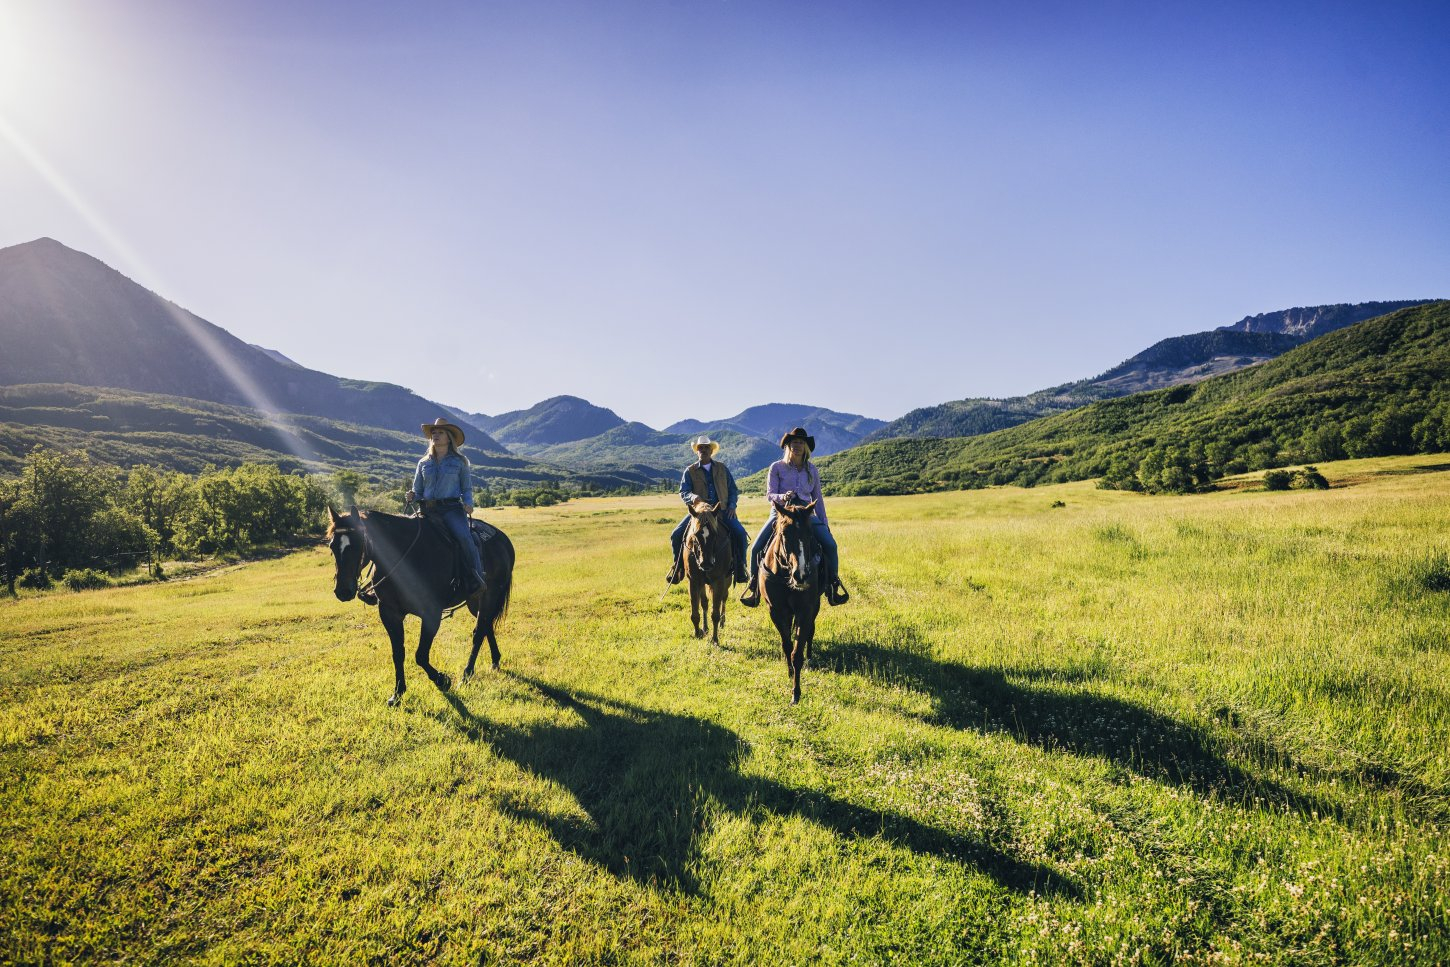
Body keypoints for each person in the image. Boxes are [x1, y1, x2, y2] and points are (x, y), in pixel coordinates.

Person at [739, 426, 846, 607]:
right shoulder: (777, 467)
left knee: (830, 545)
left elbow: (817, 499)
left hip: (805, 513)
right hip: (781, 512)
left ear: (806, 447)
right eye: (793, 443)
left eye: (801, 443)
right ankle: (754, 587)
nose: (797, 446)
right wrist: (783, 497)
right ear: (787, 446)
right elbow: (770, 494)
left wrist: (824, 523)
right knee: (757, 547)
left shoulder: (812, 470)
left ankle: (832, 585)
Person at [405, 417, 486, 595]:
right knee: (405, 536)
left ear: (449, 437)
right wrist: (412, 495)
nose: (436, 435)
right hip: (426, 510)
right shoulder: (423, 462)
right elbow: (418, 490)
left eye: (440, 432)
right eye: (433, 432)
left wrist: (469, 503)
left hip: (451, 510)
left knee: (465, 537)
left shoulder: (460, 461)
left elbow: (466, 488)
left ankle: (476, 576)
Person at [666, 435, 750, 586]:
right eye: (700, 448)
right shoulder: (690, 471)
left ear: (711, 451)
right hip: (699, 514)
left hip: (722, 511)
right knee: (676, 534)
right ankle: (677, 568)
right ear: (697, 451)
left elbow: (732, 489)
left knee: (741, 534)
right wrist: (693, 497)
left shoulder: (722, 468)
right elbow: (683, 491)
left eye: (706, 448)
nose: (703, 450)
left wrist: (732, 505)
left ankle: (740, 568)